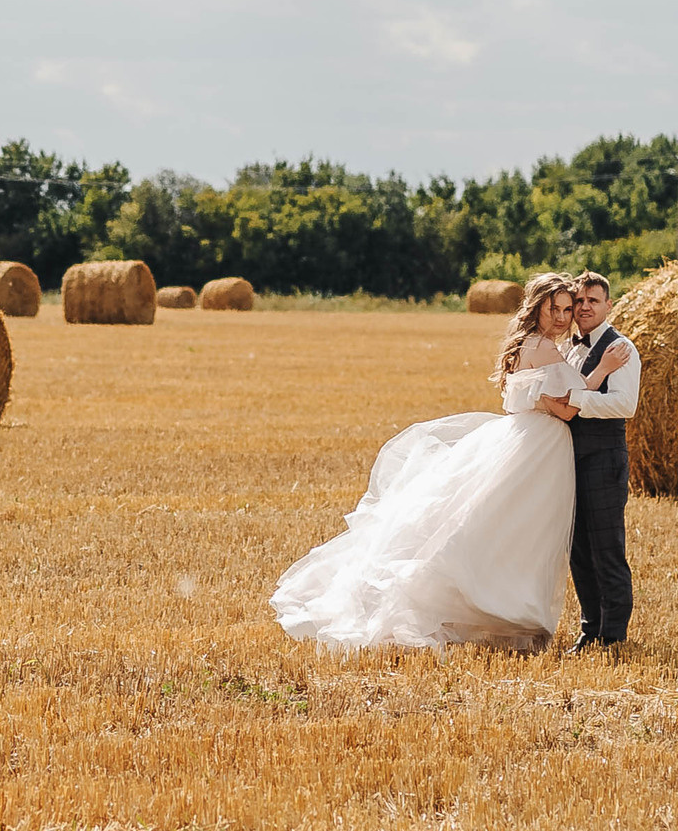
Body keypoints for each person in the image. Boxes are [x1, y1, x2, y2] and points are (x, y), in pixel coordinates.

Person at [271, 271, 623, 652]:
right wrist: (603, 369)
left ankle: (497, 610)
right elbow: (569, 408)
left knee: (497, 527)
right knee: (518, 533)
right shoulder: (547, 349)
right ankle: (499, 610)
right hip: (539, 448)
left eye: (568, 309)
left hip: (523, 440)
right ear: (536, 308)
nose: (562, 316)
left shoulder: (527, 343)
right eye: (553, 308)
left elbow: (549, 398)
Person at [536, 270, 639, 653]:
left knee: (606, 547)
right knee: (578, 548)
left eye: (592, 301)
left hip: (604, 459)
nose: (583, 308)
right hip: (569, 462)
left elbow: (625, 404)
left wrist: (577, 400)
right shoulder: (570, 348)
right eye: (578, 301)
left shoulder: (621, 348)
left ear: (608, 305)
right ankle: (589, 628)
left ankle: (612, 634)